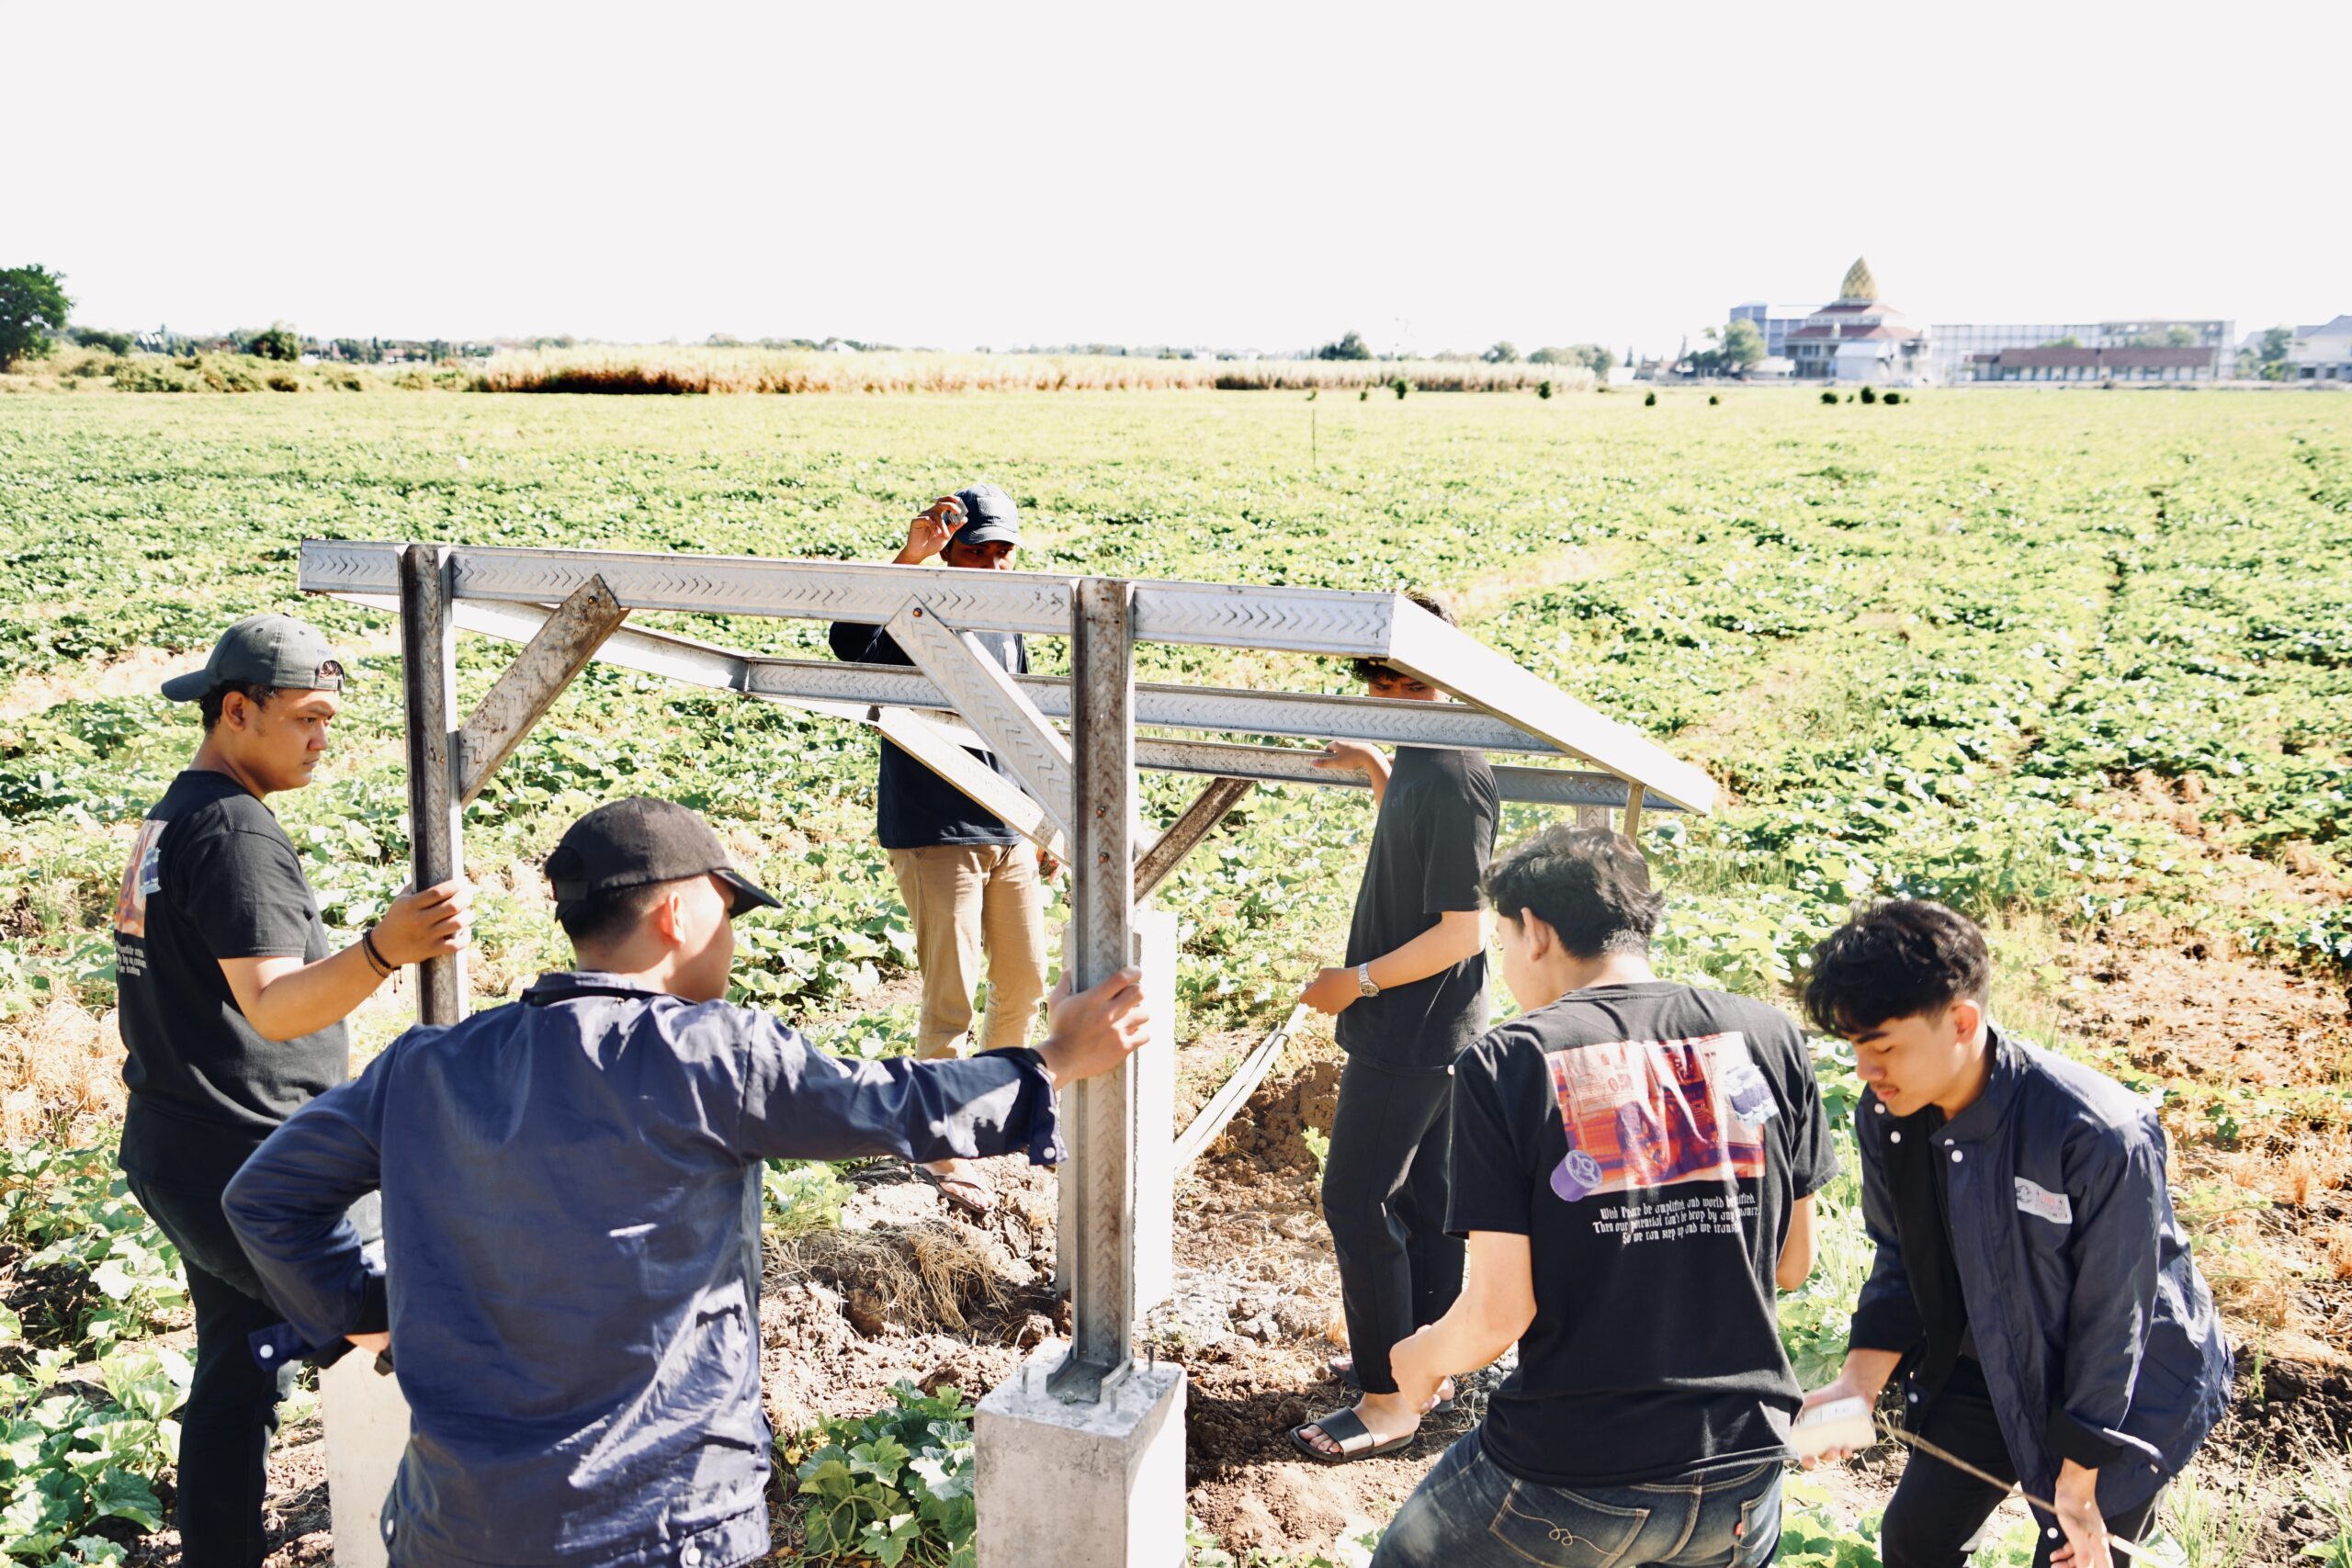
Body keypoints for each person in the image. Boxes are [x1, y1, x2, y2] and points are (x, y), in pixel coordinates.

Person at [222, 795, 1150, 1568]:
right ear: (676, 914)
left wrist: (370, 1304)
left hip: (456, 1526)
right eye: (727, 911)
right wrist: (1053, 1059)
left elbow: (263, 1198)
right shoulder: (712, 1056)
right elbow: (893, 1106)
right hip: (657, 1525)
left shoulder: (427, 1065)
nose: (734, 939)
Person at [1368, 825, 1837, 1567]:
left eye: (1503, 939)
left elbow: (1498, 1314)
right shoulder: (1769, 1035)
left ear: (1539, 932)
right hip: (1745, 1472)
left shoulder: (1510, 1059)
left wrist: (1419, 1357)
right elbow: (1789, 1263)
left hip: (1576, 1474)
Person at [111, 615, 470, 1568]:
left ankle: (219, 1553)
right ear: (236, 711)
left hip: (184, 1148)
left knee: (237, 1364)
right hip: (254, 1167)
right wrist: (385, 949)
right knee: (385, 1332)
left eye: (329, 720)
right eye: (306, 718)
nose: (322, 740)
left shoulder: (175, 816)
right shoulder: (232, 830)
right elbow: (273, 1007)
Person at [1797, 899, 2231, 1568]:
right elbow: (1900, 1258)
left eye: (1881, 1046)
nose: (1865, 1071)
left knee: (2074, 1554)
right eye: (1853, 1048)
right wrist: (1858, 1381)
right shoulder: (1891, 1114)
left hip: (2122, 1384)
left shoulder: (2097, 1131)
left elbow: (2115, 1316)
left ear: (1962, 1021)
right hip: (1988, 1359)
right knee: (1915, 1539)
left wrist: (2081, 1474)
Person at [1292, 594, 1499, 1462]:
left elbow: (1465, 927)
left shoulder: (1453, 768)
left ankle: (1385, 1400)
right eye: (1373, 675)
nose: (1382, 687)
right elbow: (1420, 854)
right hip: (1431, 1026)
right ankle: (1423, 1361)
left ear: (1438, 669)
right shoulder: (1422, 752)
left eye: (1398, 676)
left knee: (1356, 1197)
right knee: (1423, 1199)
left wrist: (1358, 981)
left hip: (1412, 1026)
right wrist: (1379, 767)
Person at [827, 483, 1052, 1217]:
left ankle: (995, 1108)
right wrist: (910, 559)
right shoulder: (915, 609)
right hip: (936, 829)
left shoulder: (1008, 617)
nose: (989, 564)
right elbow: (848, 645)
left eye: (1000, 551)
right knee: (949, 995)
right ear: (947, 548)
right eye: (974, 550)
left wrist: (1046, 819)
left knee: (1023, 981)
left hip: (1009, 823)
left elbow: (1020, 722)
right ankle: (941, 1138)